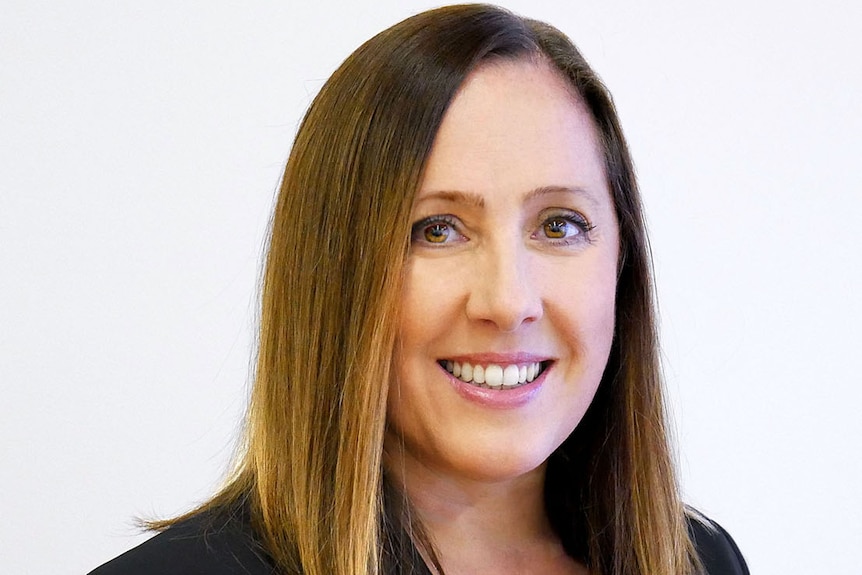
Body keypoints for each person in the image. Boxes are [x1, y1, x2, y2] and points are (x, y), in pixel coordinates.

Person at [89, 4, 749, 574]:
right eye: (438, 229)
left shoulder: (698, 560)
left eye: (559, 224)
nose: (507, 300)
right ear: (334, 274)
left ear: (622, 265)